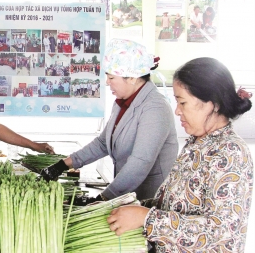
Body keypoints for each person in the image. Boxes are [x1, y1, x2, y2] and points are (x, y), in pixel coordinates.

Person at [107, 57, 253, 252]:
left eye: (182, 102)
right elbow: (173, 204)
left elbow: (222, 232)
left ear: (213, 104)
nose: (177, 111)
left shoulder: (230, 152)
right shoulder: (196, 143)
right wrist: (131, 206)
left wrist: (146, 218)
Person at [40, 39, 178, 202]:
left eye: (111, 78)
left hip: (149, 199)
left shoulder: (155, 108)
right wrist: (63, 165)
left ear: (132, 78)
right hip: (127, 195)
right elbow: (103, 143)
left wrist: (103, 198)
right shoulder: (123, 102)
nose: (107, 82)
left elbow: (140, 162)